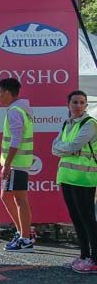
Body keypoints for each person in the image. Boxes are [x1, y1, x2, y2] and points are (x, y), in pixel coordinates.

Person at [52, 89, 96, 271]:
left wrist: (66, 148)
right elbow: (55, 147)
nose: (78, 106)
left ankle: (94, 259)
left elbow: (74, 145)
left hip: (85, 178)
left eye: (81, 102)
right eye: (75, 102)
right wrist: (67, 149)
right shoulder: (67, 123)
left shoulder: (90, 124)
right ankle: (84, 255)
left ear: (86, 105)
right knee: (76, 218)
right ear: (68, 105)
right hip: (67, 178)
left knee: (87, 218)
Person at [0, 78, 35, 251]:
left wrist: (8, 164)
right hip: (16, 163)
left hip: (17, 164)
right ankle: (22, 232)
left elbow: (16, 139)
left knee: (20, 199)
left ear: (7, 92)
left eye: (0, 92)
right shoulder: (20, 108)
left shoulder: (15, 111)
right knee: (6, 196)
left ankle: (25, 239)